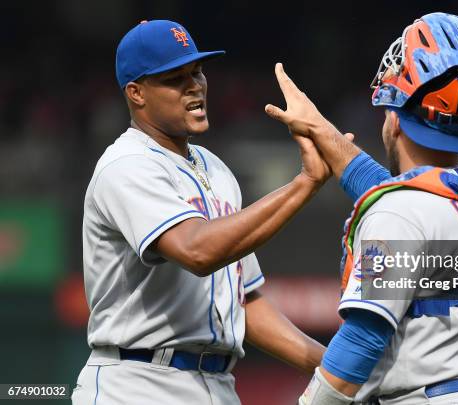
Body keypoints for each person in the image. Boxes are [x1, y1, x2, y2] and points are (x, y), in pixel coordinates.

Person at [71, 19, 338, 405]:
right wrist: (305, 183)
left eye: (196, 71)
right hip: (137, 382)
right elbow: (197, 252)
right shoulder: (126, 165)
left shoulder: (216, 170)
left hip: (218, 385)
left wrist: (333, 367)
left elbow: (246, 302)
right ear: (136, 93)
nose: (194, 85)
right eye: (174, 78)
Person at [265, 12, 458, 405]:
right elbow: (397, 199)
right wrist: (319, 128)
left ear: (395, 120)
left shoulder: (400, 213)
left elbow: (362, 340)